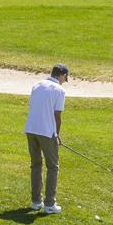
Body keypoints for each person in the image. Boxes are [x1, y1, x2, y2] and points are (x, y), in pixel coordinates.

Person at [25, 64, 68, 214]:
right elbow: (57, 116)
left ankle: (36, 202)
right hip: (46, 132)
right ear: (61, 74)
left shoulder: (37, 85)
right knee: (53, 166)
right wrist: (56, 135)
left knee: (36, 164)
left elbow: (33, 106)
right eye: (65, 77)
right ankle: (49, 204)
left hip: (30, 129)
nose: (65, 80)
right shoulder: (59, 91)